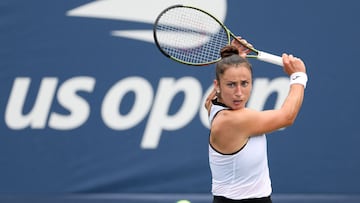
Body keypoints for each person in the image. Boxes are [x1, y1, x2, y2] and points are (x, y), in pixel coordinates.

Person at [204, 38, 308, 203]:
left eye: (244, 83)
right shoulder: (233, 121)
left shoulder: (212, 104)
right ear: (217, 85)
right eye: (231, 85)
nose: (239, 92)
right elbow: (287, 117)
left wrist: (233, 61)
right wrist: (298, 76)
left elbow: (213, 96)